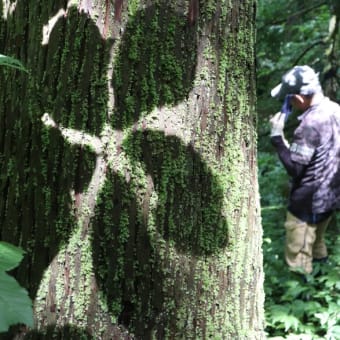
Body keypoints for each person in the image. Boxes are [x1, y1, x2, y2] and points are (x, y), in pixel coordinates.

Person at [269, 65, 340, 274]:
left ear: (299, 99)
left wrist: (277, 139)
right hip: (330, 197)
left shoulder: (309, 124)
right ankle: (323, 283)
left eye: (289, 99)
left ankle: (302, 295)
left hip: (306, 204)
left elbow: (295, 169)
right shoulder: (336, 110)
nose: (289, 103)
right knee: (317, 243)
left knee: (298, 254)